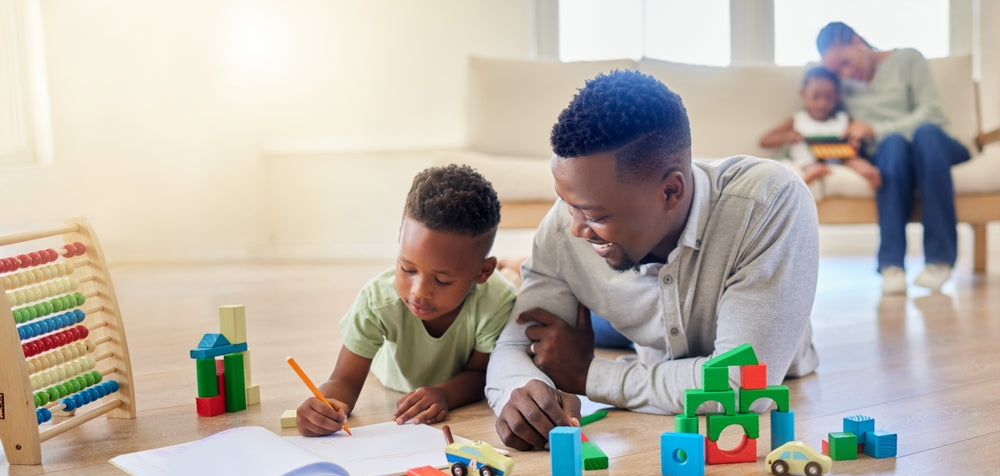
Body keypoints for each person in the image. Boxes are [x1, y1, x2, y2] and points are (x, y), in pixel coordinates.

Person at [484, 70, 820, 451]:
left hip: (763, 351)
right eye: (567, 204)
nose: (575, 228)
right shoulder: (565, 227)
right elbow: (516, 346)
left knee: (581, 342)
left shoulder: (770, 202)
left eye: (594, 215)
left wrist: (589, 374)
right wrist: (524, 393)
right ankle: (524, 271)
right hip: (634, 330)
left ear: (671, 191)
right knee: (572, 329)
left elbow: (743, 385)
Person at [296, 164, 516, 436]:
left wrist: (444, 394)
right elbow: (343, 381)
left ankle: (512, 267)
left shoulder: (496, 302)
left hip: (461, 363)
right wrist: (323, 405)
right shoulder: (377, 301)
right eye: (408, 269)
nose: (418, 292)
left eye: (442, 280)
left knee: (517, 286)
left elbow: (480, 372)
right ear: (400, 238)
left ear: (482, 272)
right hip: (390, 376)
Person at [817, 21, 971, 295]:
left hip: (933, 148)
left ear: (856, 41)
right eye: (837, 70)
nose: (846, 74)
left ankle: (939, 261)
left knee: (924, 134)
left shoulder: (908, 59)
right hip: (892, 158)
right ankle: (892, 266)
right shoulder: (842, 86)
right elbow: (825, 121)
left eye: (845, 62)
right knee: (893, 145)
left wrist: (875, 129)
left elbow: (933, 114)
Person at [760, 66, 880, 188]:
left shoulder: (843, 119)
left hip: (839, 157)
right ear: (804, 94)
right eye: (816, 96)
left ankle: (867, 171)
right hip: (809, 158)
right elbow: (764, 141)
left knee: (853, 160)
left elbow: (855, 136)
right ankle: (812, 169)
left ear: (837, 97)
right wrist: (787, 137)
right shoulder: (798, 119)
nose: (822, 103)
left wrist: (854, 142)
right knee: (804, 156)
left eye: (829, 98)